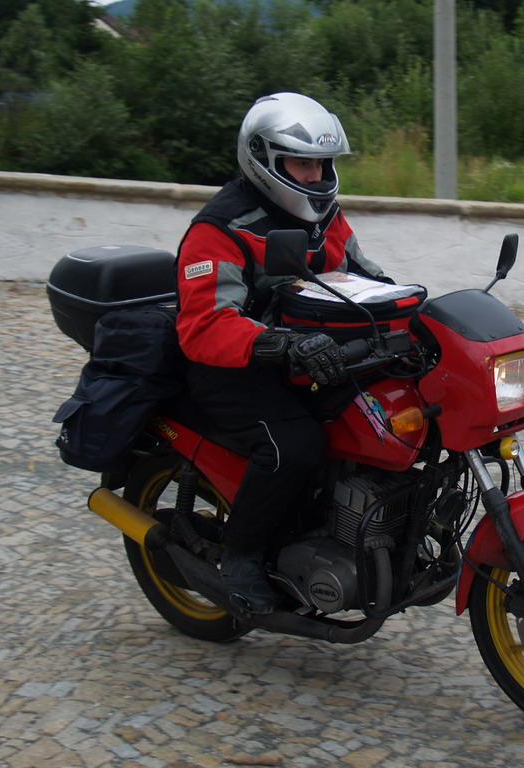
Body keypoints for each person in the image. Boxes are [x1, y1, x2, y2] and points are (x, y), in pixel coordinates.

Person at [174, 92, 388, 615]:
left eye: (322, 164)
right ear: (263, 159)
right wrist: (279, 343)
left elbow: (364, 277)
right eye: (302, 163)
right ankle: (241, 556)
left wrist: (419, 311)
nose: (316, 176)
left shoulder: (325, 218)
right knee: (295, 444)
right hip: (231, 369)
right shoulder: (220, 228)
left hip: (305, 361)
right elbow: (204, 325)